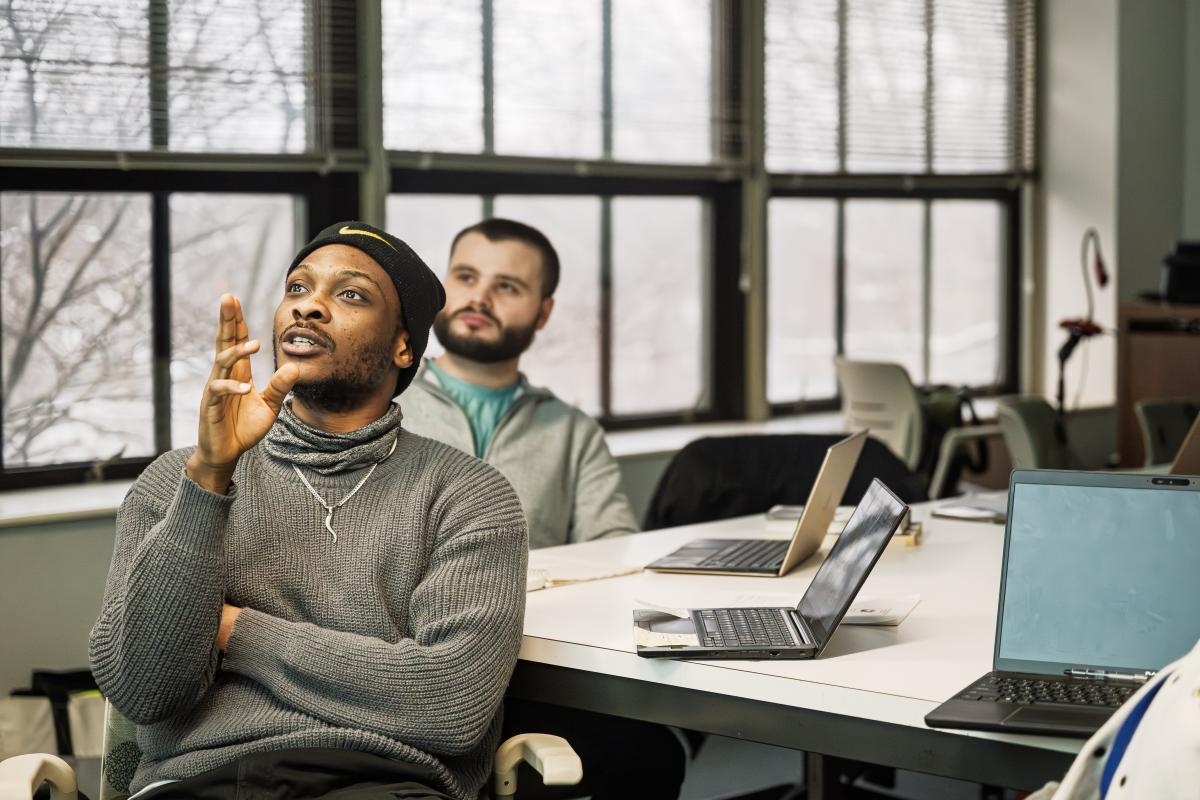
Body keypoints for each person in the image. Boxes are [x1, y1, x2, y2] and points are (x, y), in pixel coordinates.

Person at [89, 222, 528, 800]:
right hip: (199, 783)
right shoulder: (178, 480)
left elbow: (450, 703)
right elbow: (144, 692)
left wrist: (231, 629)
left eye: (351, 294)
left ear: (404, 346)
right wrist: (210, 479)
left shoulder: (468, 494)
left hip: (382, 784)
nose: (309, 306)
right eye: (297, 287)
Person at [399, 218, 638, 550]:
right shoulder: (382, 404)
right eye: (466, 277)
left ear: (543, 313)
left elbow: (613, 549)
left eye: (506, 287)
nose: (479, 298)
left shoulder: (574, 434)